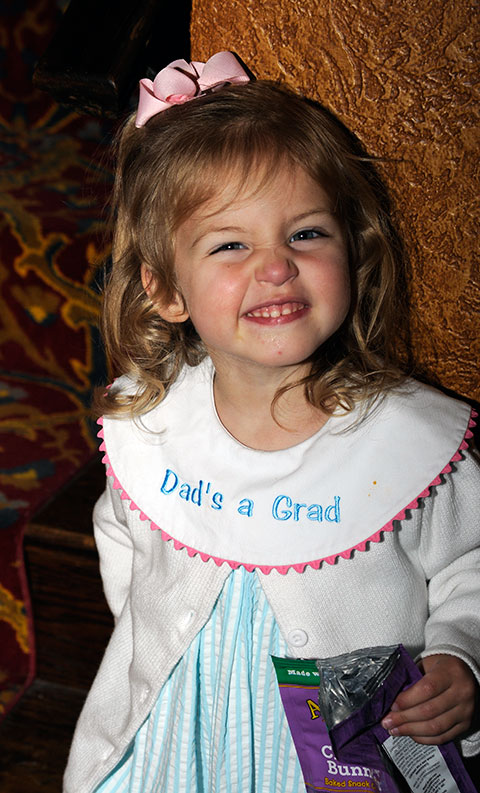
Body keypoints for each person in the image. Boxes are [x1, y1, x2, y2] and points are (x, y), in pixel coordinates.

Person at [64, 52, 480, 793]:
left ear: (353, 248)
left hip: (339, 761)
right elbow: (123, 543)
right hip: (177, 745)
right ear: (165, 290)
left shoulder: (415, 447)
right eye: (231, 244)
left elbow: (470, 563)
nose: (277, 266)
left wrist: (460, 654)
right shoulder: (153, 425)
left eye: (307, 234)